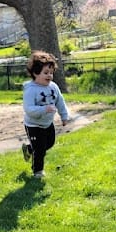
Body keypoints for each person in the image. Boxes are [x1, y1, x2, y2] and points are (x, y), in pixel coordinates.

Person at [21, 50, 71, 179]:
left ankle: (29, 149)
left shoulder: (53, 87)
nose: (49, 76)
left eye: (51, 73)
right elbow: (29, 109)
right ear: (35, 73)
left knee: (49, 143)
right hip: (33, 125)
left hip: (47, 123)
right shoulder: (31, 90)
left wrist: (64, 116)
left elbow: (60, 101)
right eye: (45, 73)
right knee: (40, 150)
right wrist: (44, 109)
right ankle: (38, 171)